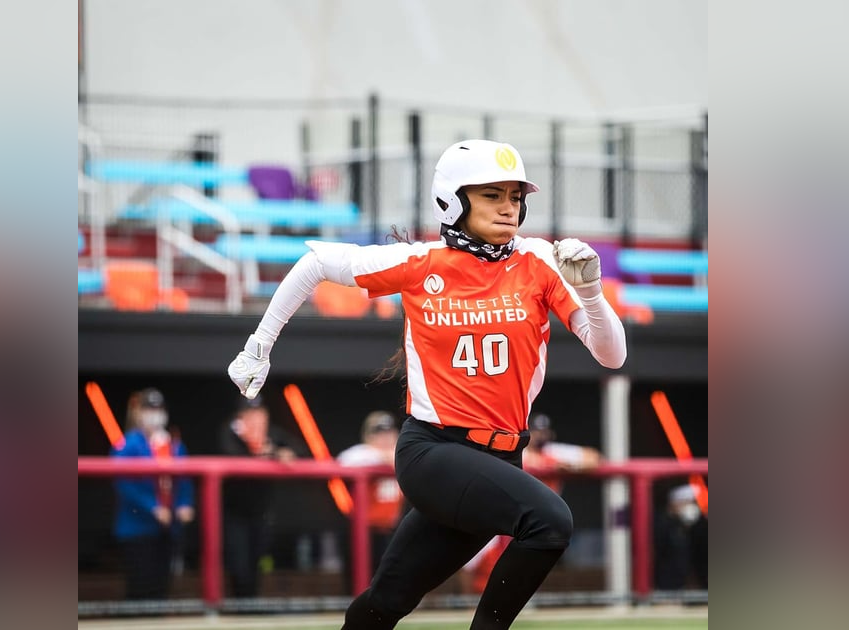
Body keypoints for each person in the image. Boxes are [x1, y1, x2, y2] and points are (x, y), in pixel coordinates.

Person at [228, 139, 626, 629]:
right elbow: (314, 264)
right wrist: (258, 346)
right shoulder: (423, 262)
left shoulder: (540, 262)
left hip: (501, 457)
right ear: (454, 200)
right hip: (435, 451)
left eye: (515, 197)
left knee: (385, 602)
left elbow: (612, 354)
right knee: (550, 521)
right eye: (492, 195)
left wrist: (589, 291)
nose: (509, 208)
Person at [462, 413, 602, 594]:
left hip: (539, 520)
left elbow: (594, 457)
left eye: (543, 432)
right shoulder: (518, 449)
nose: (540, 436)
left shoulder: (554, 452)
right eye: (536, 432)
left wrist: (568, 466)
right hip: (505, 518)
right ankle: (468, 604)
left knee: (532, 563)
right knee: (472, 561)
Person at [111, 387, 195, 600]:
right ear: (138, 412)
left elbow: (184, 480)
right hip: (137, 528)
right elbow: (123, 483)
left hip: (168, 528)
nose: (154, 413)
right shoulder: (127, 444)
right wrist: (152, 507)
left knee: (161, 587)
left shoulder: (173, 444)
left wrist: (184, 503)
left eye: (158, 408)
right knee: (140, 585)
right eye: (149, 408)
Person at [217, 395, 298, 598]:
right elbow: (230, 455)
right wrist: (263, 455)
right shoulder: (230, 431)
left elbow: (299, 449)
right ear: (240, 416)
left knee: (257, 559)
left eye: (260, 412)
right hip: (233, 511)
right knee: (239, 562)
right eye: (250, 413)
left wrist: (280, 452)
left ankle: (252, 605)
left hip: (260, 511)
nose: (256, 418)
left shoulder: (270, 433)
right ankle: (240, 605)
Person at [337, 411, 406, 582]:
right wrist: (383, 457)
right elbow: (344, 459)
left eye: (389, 433)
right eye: (379, 433)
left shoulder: (404, 454)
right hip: (363, 532)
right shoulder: (363, 454)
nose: (385, 439)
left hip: (391, 530)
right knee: (363, 581)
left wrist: (394, 457)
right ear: (368, 436)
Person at [654, 483, 707, 591]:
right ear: (675, 503)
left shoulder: (692, 525)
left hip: (688, 584)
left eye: (693, 503)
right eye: (687, 502)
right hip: (666, 586)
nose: (692, 506)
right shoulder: (660, 523)